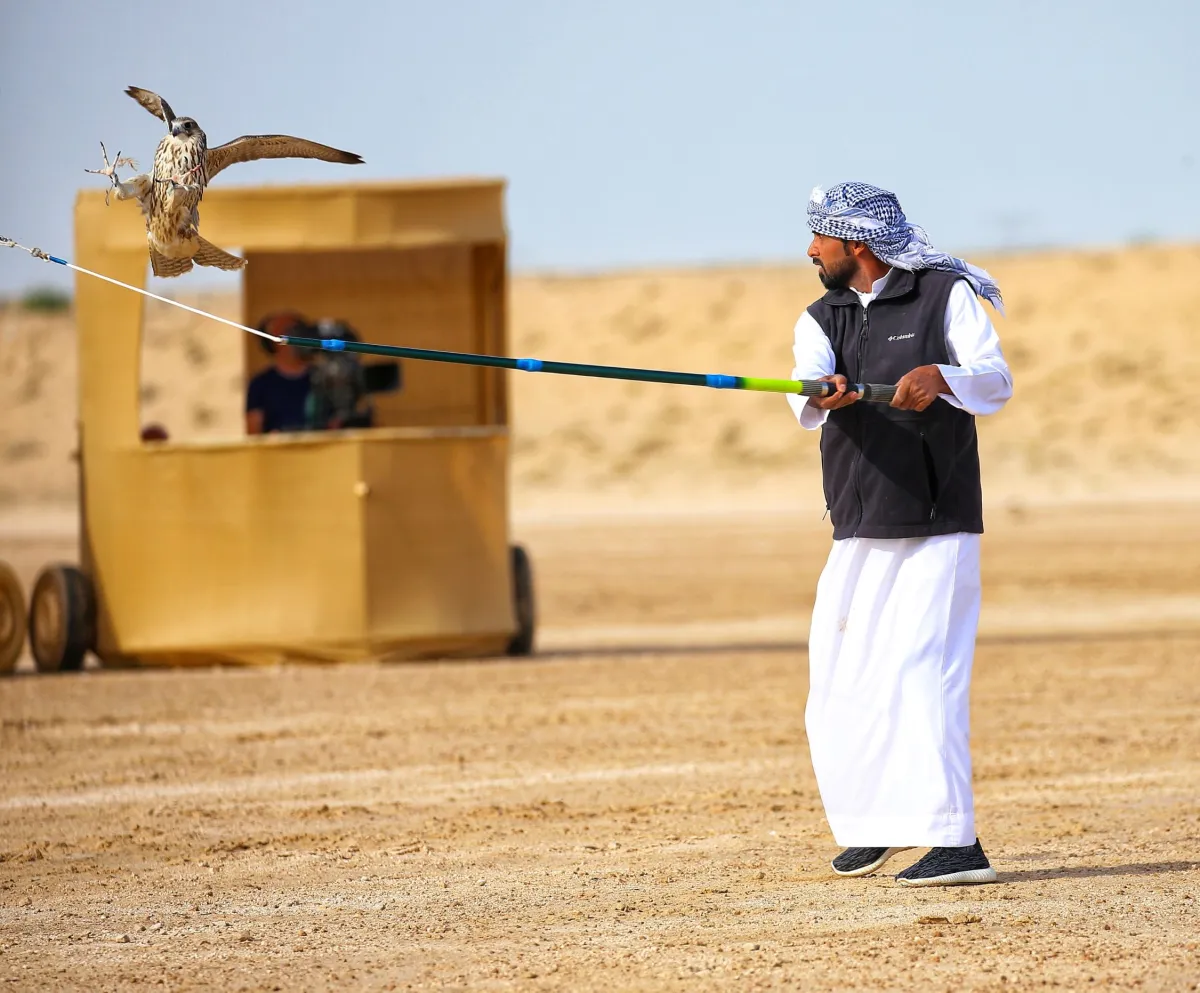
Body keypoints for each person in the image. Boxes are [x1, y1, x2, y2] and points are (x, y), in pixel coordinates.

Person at [787, 181, 1013, 887]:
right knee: (839, 680)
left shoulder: (944, 295)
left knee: (924, 674)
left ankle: (956, 841)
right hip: (857, 524)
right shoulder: (819, 315)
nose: (810, 250)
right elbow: (805, 389)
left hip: (936, 520)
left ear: (856, 244)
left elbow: (995, 381)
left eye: (819, 238)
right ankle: (874, 826)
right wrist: (819, 389)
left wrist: (940, 377)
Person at [246, 312, 314, 435]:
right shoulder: (260, 384)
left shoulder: (323, 377)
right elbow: (253, 433)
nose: (296, 335)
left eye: (297, 330)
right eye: (288, 331)